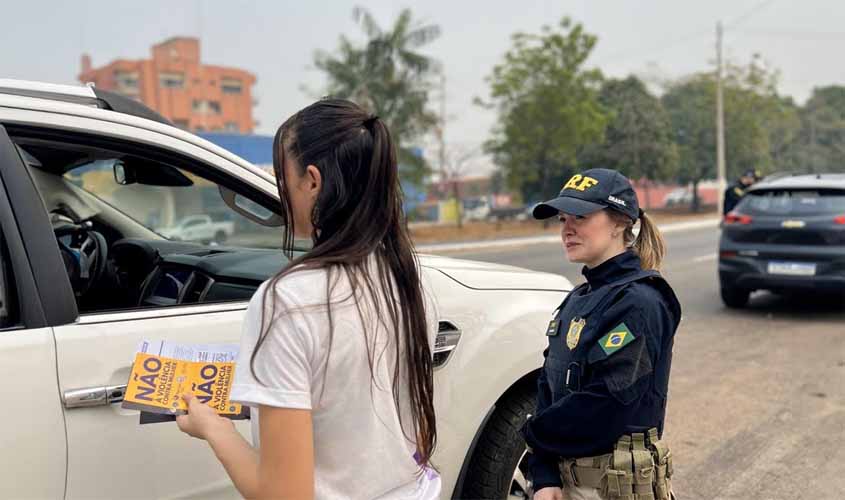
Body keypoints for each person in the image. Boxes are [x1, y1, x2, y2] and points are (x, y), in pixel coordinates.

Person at [174, 99, 441, 499]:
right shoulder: (405, 278)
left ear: (312, 181)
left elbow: (284, 496)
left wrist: (213, 427)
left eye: (282, 177)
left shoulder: (288, 302)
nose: (280, 192)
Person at [522, 168, 682, 500]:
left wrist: (533, 436)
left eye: (579, 216)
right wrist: (545, 473)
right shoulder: (577, 299)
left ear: (621, 222)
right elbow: (549, 385)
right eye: (562, 219)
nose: (567, 229)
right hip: (567, 481)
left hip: (615, 487)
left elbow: (608, 403)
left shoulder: (640, 302)